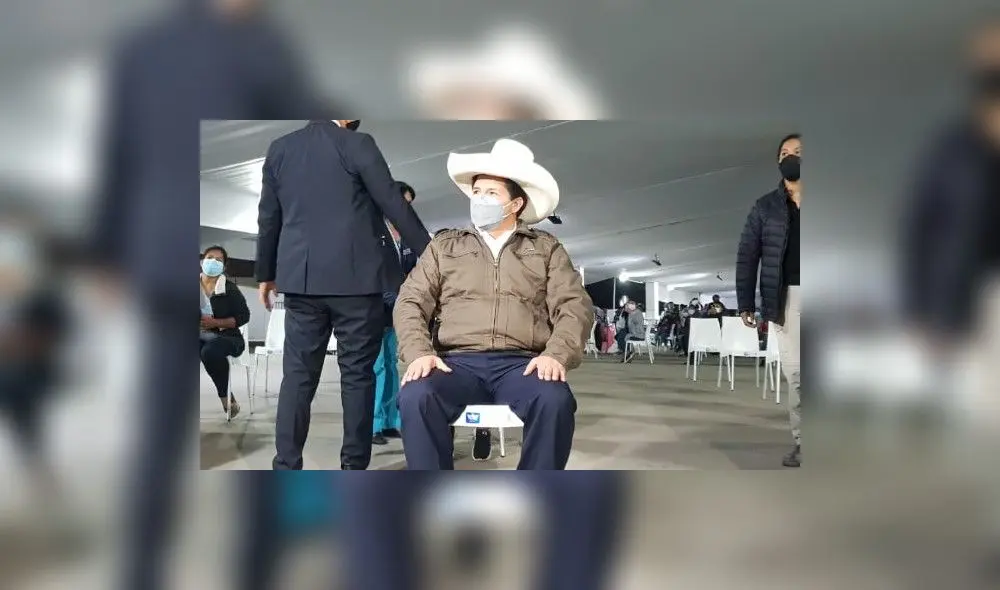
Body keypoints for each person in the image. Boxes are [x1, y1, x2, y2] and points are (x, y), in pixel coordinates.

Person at [393, 138, 594, 470]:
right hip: (456, 363)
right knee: (416, 395)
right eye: (476, 192)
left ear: (515, 204)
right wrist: (419, 352)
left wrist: (556, 354)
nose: (480, 199)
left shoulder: (545, 249)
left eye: (490, 193)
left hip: (521, 364)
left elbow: (574, 305)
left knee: (554, 399)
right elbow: (410, 301)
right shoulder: (445, 247)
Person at [256, 120, 431, 471]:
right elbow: (392, 201)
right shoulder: (357, 143)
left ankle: (286, 465)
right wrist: (432, 254)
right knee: (357, 376)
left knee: (298, 378)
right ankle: (353, 466)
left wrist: (265, 274)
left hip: (302, 281)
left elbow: (269, 216)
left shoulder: (281, 148)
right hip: (357, 281)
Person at [736, 133, 801, 468]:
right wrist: (746, 302)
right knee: (797, 373)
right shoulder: (765, 207)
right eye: (784, 153)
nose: (791, 158)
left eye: (799, 152)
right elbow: (748, 255)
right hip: (787, 297)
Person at [372, 181, 421, 446]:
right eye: (403, 203)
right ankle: (373, 425)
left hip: (397, 312)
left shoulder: (407, 238)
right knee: (377, 366)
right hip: (376, 310)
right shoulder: (373, 232)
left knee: (391, 365)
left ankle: (390, 421)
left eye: (409, 205)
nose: (406, 209)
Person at [199, 245, 250, 418]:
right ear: (202, 261)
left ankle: (226, 398)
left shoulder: (229, 289)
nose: (213, 261)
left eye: (218, 260)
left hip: (228, 337)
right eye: (209, 257)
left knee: (209, 351)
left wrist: (215, 322)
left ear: (223, 266)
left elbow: (244, 316)